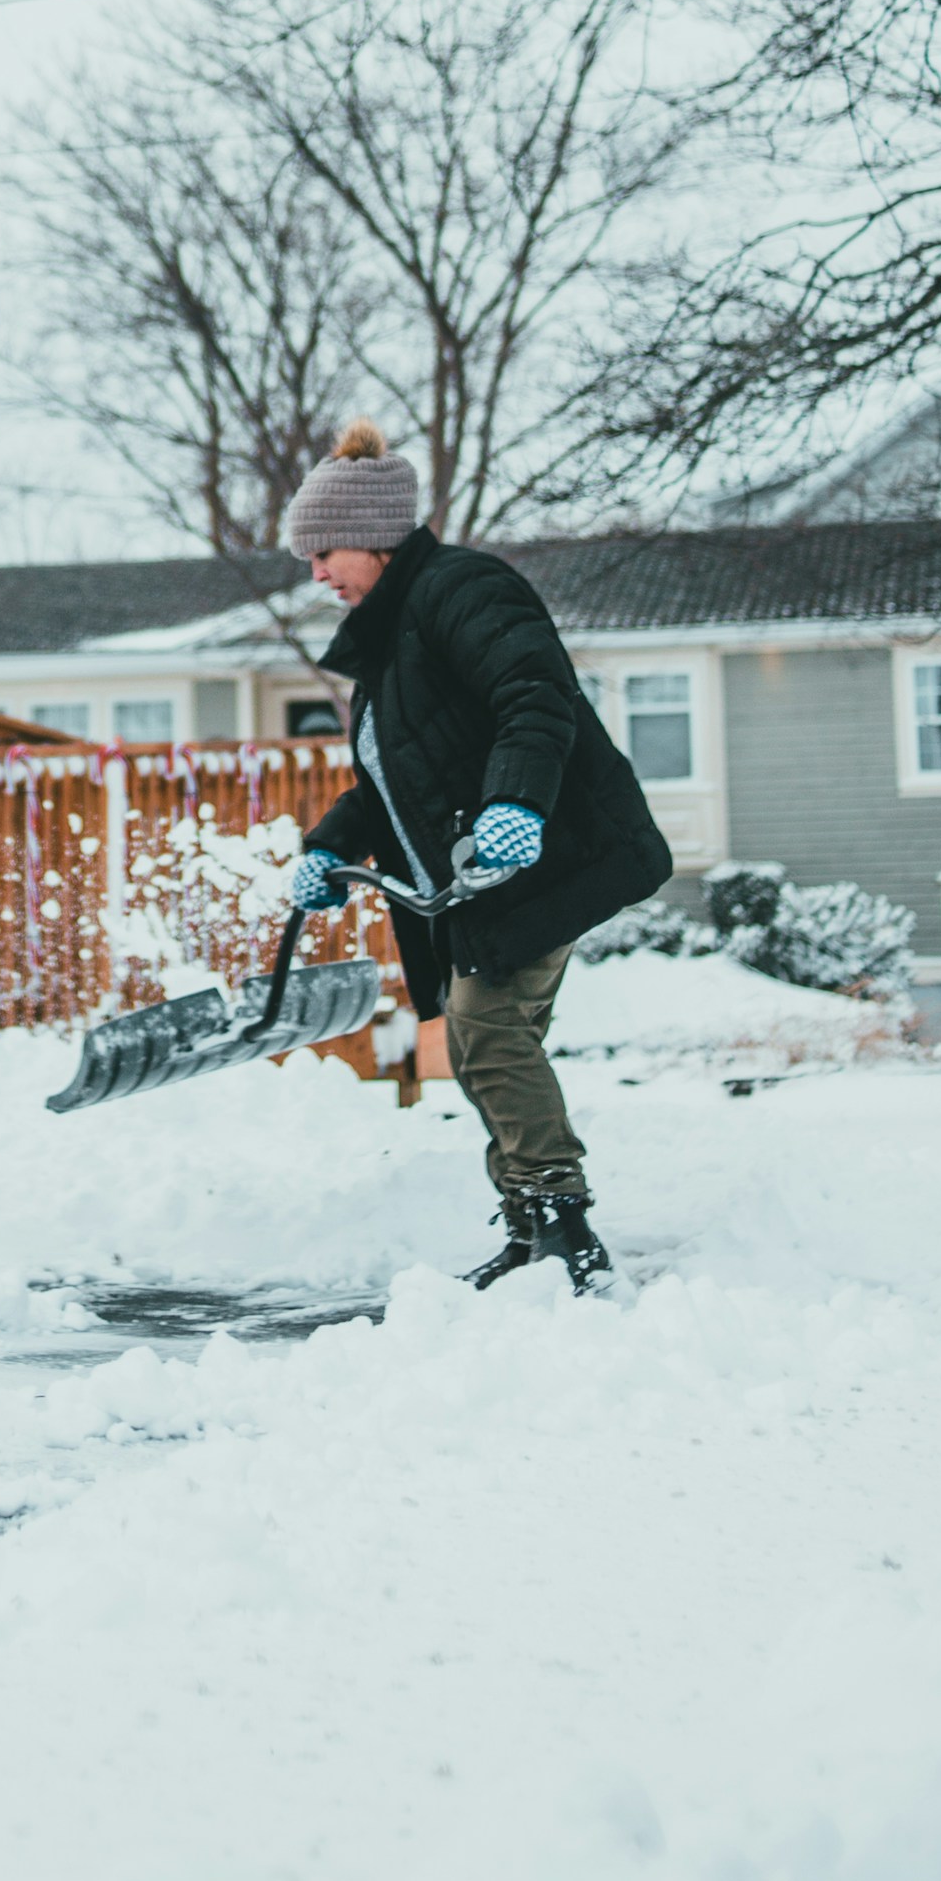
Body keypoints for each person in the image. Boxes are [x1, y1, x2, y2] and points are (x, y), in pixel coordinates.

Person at [284, 421, 670, 1289]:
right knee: (485, 1040)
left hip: (544, 854)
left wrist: (514, 805)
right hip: (479, 878)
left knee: (487, 1032)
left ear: (378, 538)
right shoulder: (392, 646)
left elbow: (534, 698)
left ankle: (563, 1225)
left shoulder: (463, 590)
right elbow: (394, 784)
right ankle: (535, 1223)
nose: (316, 574)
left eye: (325, 552)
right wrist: (329, 850)